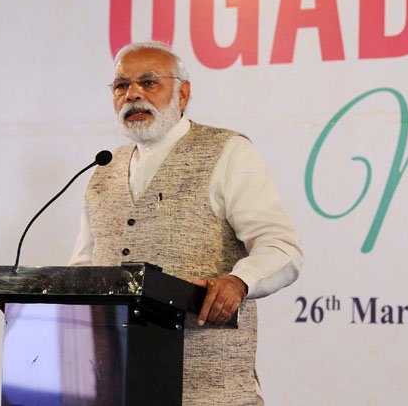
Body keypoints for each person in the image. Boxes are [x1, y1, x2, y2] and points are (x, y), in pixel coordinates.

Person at [69, 40, 303, 405]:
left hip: (209, 390)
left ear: (183, 93)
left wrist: (239, 281)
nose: (133, 94)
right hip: (115, 387)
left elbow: (282, 247)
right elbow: (82, 269)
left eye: (149, 82)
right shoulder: (103, 168)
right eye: (121, 85)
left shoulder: (228, 151)